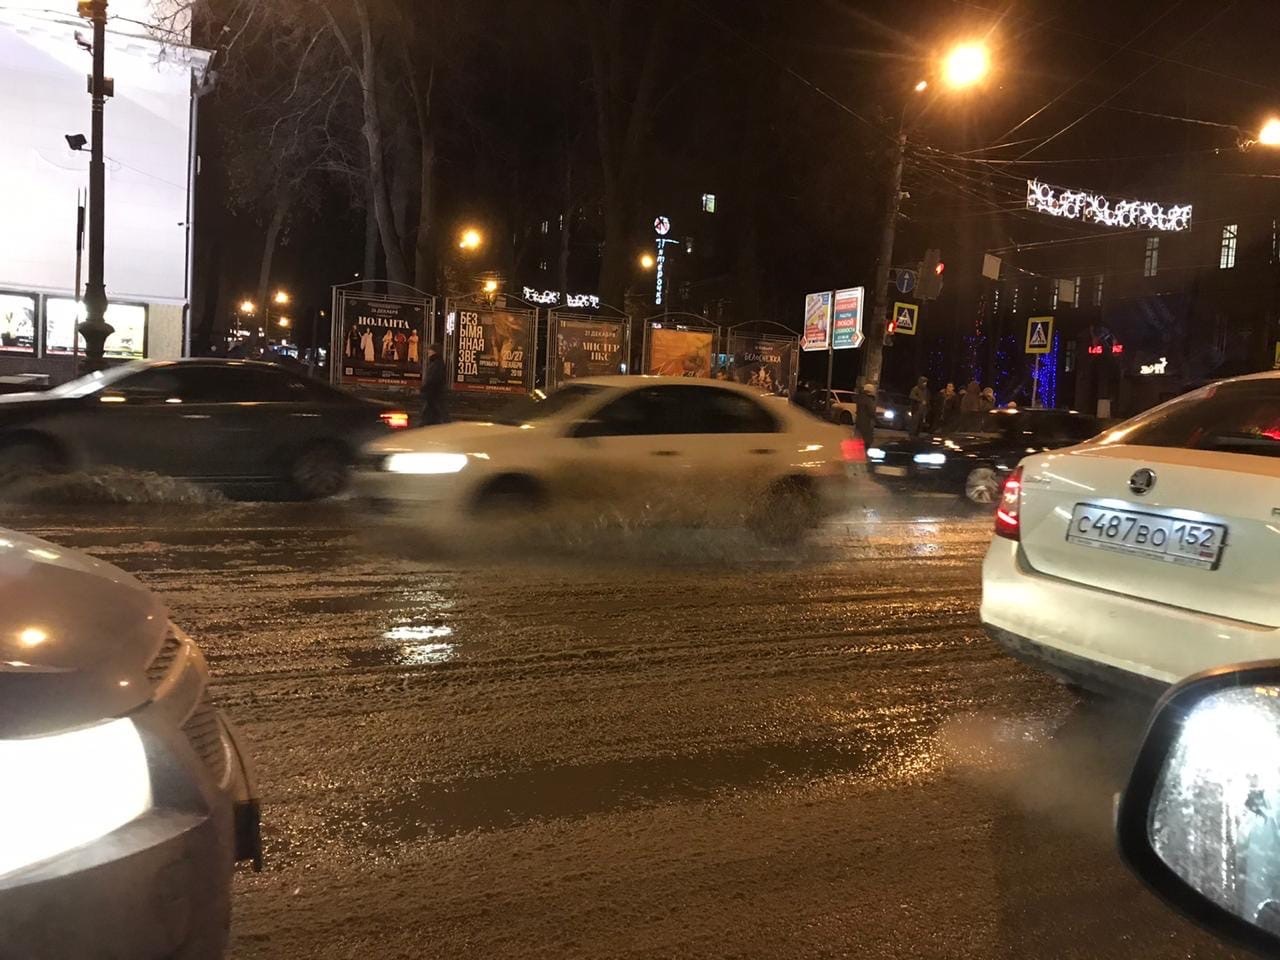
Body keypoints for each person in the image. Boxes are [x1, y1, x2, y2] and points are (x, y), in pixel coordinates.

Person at [420, 343, 449, 425]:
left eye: (430, 351)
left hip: (433, 393)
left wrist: (424, 388)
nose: (428, 352)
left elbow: (432, 379)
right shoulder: (438, 362)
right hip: (434, 393)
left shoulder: (436, 364)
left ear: (434, 352)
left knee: (435, 411)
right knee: (435, 411)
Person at [854, 381, 877, 449]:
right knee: (867, 439)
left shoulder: (860, 398)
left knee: (858, 437)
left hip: (859, 421)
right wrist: (876, 418)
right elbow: (871, 412)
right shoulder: (869, 400)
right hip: (867, 422)